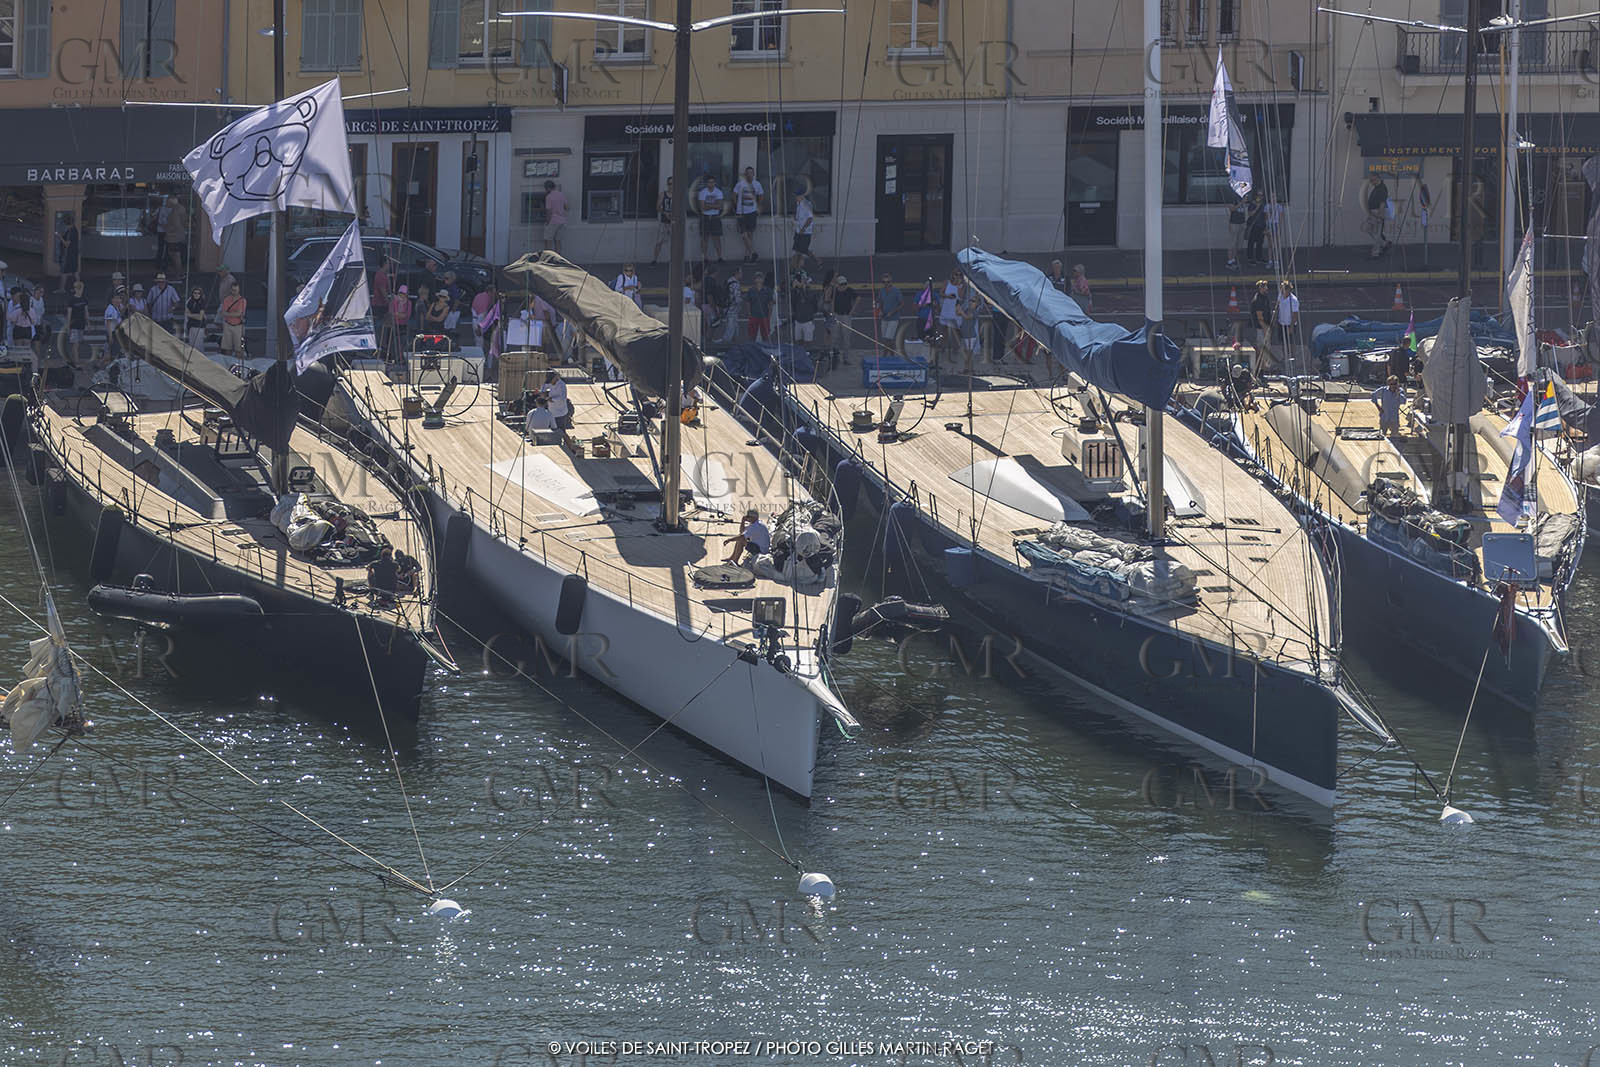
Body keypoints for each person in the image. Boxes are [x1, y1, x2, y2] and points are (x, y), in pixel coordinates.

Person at [732, 166, 764, 262]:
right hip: (741, 213)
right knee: (743, 235)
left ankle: (748, 256)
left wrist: (757, 205)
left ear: (753, 174)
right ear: (745, 174)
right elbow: (733, 195)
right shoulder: (740, 184)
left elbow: (761, 196)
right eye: (747, 173)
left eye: (751, 172)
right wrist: (736, 205)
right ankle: (753, 252)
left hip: (752, 212)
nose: (749, 174)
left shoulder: (757, 184)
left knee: (750, 234)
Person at [697, 174, 726, 262]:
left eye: (713, 182)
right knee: (704, 238)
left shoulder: (719, 192)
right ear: (707, 183)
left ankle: (720, 257)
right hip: (705, 217)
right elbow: (702, 207)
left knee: (717, 238)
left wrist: (708, 205)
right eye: (709, 182)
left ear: (715, 183)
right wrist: (714, 205)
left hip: (715, 217)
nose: (711, 184)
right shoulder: (702, 192)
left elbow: (721, 207)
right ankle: (704, 257)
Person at [1248, 279, 1274, 372]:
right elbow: (1259, 317)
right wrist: (1265, 329)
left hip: (1265, 326)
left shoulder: (1264, 297)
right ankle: (1261, 369)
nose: (1267, 288)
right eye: (1264, 287)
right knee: (1262, 349)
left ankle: (1263, 368)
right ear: (1260, 288)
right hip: (1261, 328)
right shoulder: (1258, 300)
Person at [790, 188, 817, 273]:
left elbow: (810, 218)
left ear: (802, 196)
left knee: (801, 252)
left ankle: (798, 269)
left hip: (805, 232)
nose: (795, 197)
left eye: (797, 195)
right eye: (795, 195)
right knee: (798, 250)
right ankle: (795, 268)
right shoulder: (798, 203)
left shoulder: (806, 205)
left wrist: (803, 228)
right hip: (798, 231)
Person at [788, 274, 819, 346]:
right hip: (798, 321)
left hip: (808, 321)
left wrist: (802, 288)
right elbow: (792, 301)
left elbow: (809, 300)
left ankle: (806, 354)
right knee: (798, 340)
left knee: (808, 342)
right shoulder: (797, 293)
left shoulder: (812, 293)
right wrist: (794, 288)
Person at [220, 281, 248, 358]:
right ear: (230, 290)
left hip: (238, 326)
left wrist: (229, 314)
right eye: (232, 290)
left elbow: (238, 313)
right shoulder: (226, 299)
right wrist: (234, 314)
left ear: (238, 290)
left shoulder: (242, 300)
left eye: (235, 290)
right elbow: (223, 312)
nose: (234, 292)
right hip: (227, 325)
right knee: (227, 348)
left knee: (238, 349)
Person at [876, 272, 903, 351]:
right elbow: (880, 302)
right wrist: (880, 310)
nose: (886, 284)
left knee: (888, 337)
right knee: (885, 338)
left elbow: (901, 304)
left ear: (891, 282)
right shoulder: (882, 291)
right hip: (884, 317)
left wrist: (892, 312)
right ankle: (892, 353)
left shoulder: (896, 291)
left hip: (893, 318)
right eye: (884, 282)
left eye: (888, 282)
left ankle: (885, 354)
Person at [651, 178, 675, 266]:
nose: (671, 186)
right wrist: (665, 213)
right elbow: (658, 207)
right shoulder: (663, 194)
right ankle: (654, 259)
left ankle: (673, 260)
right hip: (664, 221)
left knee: (674, 242)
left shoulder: (677, 195)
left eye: (672, 184)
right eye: (669, 184)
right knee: (659, 241)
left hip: (674, 221)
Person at [542, 369, 572, 440]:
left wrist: (550, 399)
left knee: (561, 431)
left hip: (560, 412)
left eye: (551, 381)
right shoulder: (551, 382)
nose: (551, 383)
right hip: (551, 411)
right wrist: (542, 392)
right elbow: (544, 386)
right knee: (551, 429)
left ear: (555, 378)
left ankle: (566, 444)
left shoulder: (562, 385)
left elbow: (561, 399)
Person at [163, 196, 190, 272]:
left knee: (175, 255)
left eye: (167, 202)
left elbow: (176, 225)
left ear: (171, 201)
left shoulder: (175, 211)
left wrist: (167, 229)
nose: (166, 204)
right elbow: (184, 222)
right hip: (179, 235)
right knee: (175, 254)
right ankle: (178, 271)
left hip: (174, 237)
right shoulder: (181, 208)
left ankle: (178, 273)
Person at [1276, 280, 1299, 366]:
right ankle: (1285, 357)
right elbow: (1278, 306)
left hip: (1289, 324)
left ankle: (1293, 357)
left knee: (1291, 342)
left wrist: (1292, 326)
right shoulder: (1280, 296)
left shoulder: (1293, 300)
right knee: (1283, 341)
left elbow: (1295, 314)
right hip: (1281, 323)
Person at [746, 272, 774, 341]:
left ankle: (766, 349)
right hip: (753, 315)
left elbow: (771, 303)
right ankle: (752, 349)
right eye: (757, 278)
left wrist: (769, 315)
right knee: (752, 335)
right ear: (754, 280)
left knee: (765, 335)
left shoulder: (768, 290)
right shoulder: (751, 290)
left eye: (760, 278)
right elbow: (748, 302)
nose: (758, 280)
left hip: (764, 315)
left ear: (763, 280)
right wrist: (749, 313)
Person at [542, 180, 568, 254]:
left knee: (548, 240)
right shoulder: (561, 194)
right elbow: (567, 207)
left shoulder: (549, 197)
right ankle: (558, 258)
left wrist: (547, 222)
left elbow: (548, 211)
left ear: (548, 188)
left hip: (553, 221)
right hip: (562, 221)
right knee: (558, 240)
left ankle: (548, 258)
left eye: (545, 188)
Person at [66, 279, 88, 363]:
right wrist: (68, 326)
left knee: (78, 343)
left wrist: (88, 322)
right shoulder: (72, 300)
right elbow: (69, 314)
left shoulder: (84, 299)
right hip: (74, 324)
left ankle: (72, 358)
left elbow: (86, 311)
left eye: (81, 288)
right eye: (78, 288)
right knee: (75, 343)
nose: (80, 290)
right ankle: (76, 361)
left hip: (81, 324)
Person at [1244, 192, 1268, 266]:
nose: (1260, 197)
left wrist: (1266, 225)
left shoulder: (1264, 204)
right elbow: (1250, 214)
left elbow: (1266, 214)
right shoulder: (1252, 204)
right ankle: (1250, 258)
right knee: (1251, 242)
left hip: (1262, 225)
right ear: (1256, 196)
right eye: (1258, 195)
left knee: (1260, 242)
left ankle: (1259, 258)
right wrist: (1257, 207)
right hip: (1254, 225)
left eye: (1261, 195)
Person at [57, 216, 80, 293]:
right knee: (75, 271)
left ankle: (62, 289)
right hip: (73, 254)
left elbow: (67, 244)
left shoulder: (71, 231)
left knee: (64, 271)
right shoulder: (73, 230)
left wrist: (60, 237)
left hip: (68, 255)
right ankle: (78, 289)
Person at [1226, 197, 1247, 272]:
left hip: (1242, 223)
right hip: (1234, 223)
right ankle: (1229, 261)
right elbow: (1232, 209)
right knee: (1232, 243)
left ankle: (1233, 259)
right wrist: (1241, 202)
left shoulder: (1243, 198)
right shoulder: (1232, 198)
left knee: (1239, 244)